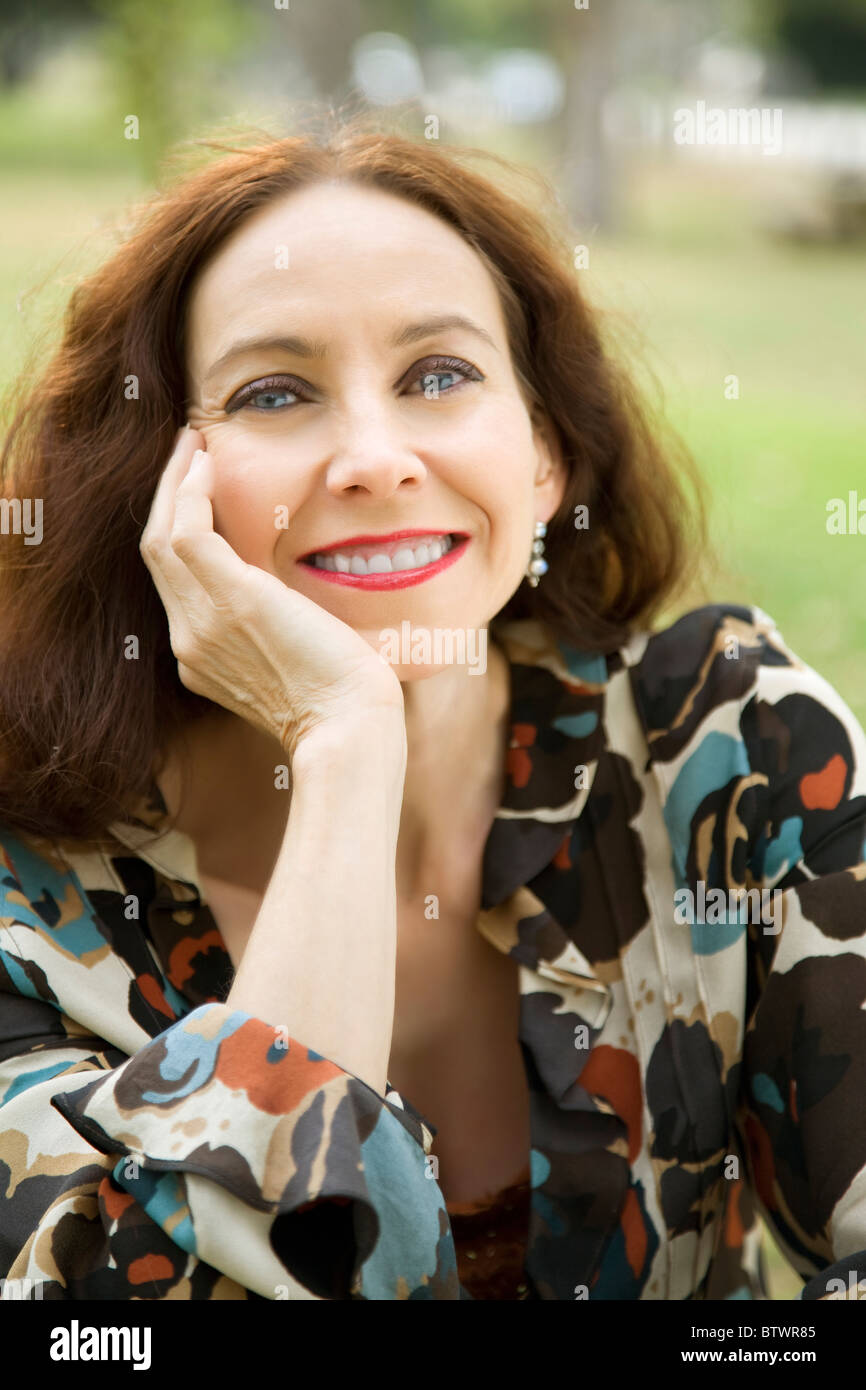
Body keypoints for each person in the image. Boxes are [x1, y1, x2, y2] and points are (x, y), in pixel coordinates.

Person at [1, 118, 865, 1302]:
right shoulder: (31, 911)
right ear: (156, 482)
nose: (373, 455)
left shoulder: (728, 743)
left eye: (439, 374)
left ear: (544, 454)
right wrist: (344, 745)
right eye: (274, 391)